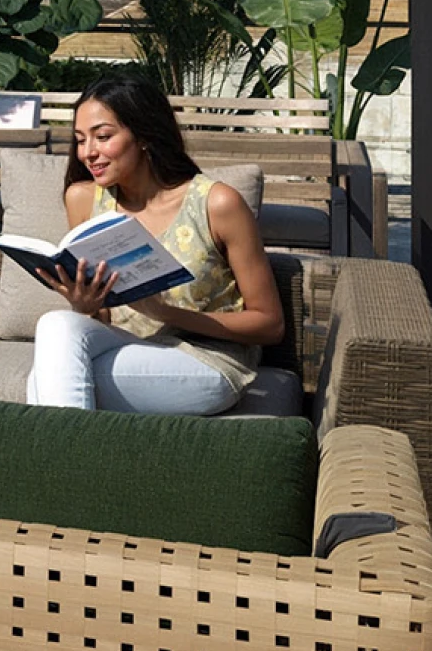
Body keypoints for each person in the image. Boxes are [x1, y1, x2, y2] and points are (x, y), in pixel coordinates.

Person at [25, 76, 283, 415]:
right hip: (128, 344)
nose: (88, 152)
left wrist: (164, 312)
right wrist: (85, 304)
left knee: (48, 380)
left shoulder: (217, 204)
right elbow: (100, 318)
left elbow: (270, 324)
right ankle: (75, 463)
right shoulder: (84, 199)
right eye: (80, 139)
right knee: (56, 324)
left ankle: (66, 461)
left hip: (207, 359)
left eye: (103, 137)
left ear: (143, 136)